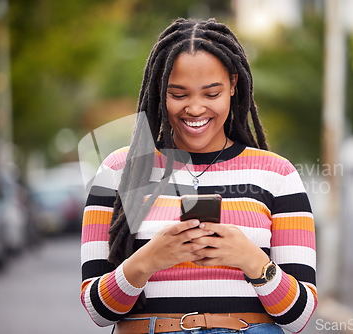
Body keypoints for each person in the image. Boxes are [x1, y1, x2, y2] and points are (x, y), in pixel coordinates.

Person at [81, 18, 317, 334]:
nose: (195, 108)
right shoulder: (119, 171)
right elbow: (99, 311)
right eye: (178, 94)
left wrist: (251, 260)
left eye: (211, 93)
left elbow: (299, 317)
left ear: (233, 85)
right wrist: (148, 260)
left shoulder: (276, 174)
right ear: (159, 91)